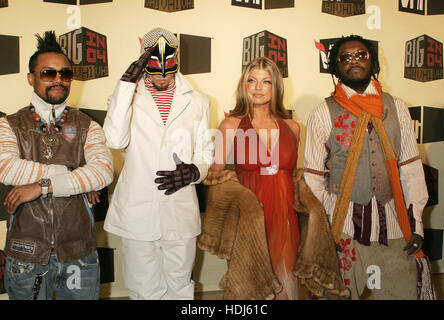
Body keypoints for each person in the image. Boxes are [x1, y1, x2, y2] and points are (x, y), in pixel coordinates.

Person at [304, 35, 432, 299]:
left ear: (372, 61)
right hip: (343, 231)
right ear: (335, 66)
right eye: (345, 57)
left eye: (361, 55)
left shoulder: (396, 107)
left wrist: (416, 223)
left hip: (395, 226)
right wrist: (328, 223)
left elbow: (409, 167)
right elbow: (313, 176)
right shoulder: (322, 112)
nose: (354, 61)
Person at [0, 31, 113, 300]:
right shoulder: (9, 124)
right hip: (26, 253)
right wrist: (73, 175)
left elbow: (103, 171)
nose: (59, 79)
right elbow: (6, 167)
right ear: (31, 78)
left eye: (65, 74)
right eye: (48, 73)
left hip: (79, 251)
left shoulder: (88, 125)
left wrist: (41, 186)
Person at [102, 27, 213, 300]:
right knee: (144, 289)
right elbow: (115, 140)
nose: (162, 77)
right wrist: (127, 83)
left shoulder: (198, 101)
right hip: (138, 209)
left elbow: (206, 152)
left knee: (181, 286)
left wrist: (195, 171)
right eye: (155, 70)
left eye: (168, 70)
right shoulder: (127, 97)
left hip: (180, 208)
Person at [211, 56, 301, 300]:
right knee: (248, 291)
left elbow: (292, 177)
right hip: (247, 219)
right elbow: (215, 176)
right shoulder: (230, 125)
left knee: (284, 289)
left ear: (276, 87)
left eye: (266, 81)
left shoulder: (293, 127)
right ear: (244, 85)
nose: (258, 87)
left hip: (285, 218)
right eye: (252, 80)